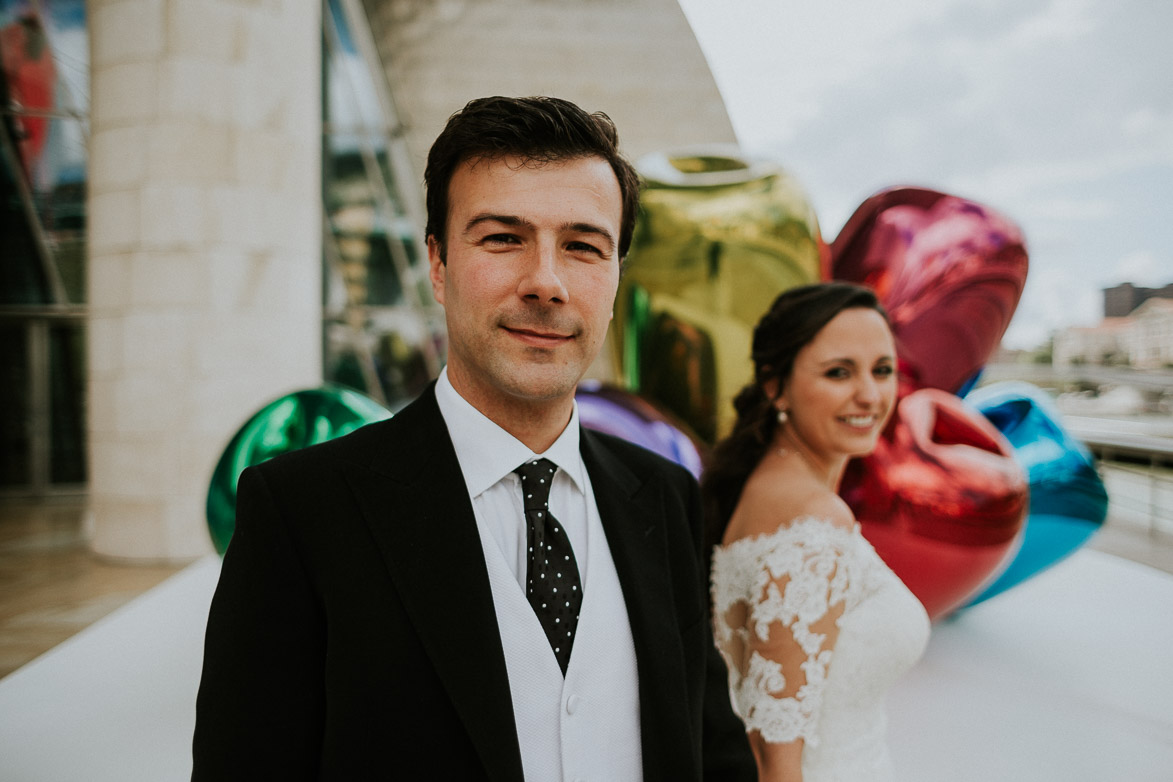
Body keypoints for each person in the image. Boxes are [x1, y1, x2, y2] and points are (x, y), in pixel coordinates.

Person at [192, 96, 755, 781]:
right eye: (502, 238)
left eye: (582, 246)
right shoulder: (301, 510)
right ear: (437, 263)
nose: (545, 282)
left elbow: (710, 748)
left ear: (614, 277)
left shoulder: (663, 494)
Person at [701, 282, 931, 781]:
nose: (869, 395)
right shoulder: (814, 525)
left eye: (883, 370)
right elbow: (774, 759)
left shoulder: (761, 487)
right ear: (774, 384)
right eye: (838, 373)